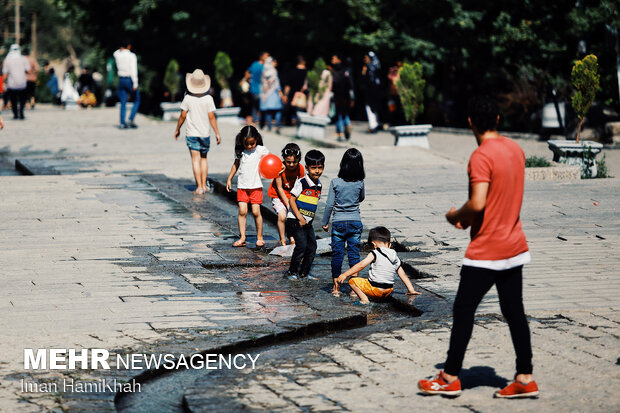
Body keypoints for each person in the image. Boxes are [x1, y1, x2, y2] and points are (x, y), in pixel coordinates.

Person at [418, 96, 538, 399]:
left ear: (470, 122)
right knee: (514, 311)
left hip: (487, 250)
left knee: (463, 310)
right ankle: (525, 377)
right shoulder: (515, 149)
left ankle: (450, 376)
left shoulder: (481, 156)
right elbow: (499, 198)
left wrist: (456, 216)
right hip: (514, 244)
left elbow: (479, 202)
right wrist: (474, 217)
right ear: (497, 119)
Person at [322, 148, 365, 297]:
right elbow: (361, 198)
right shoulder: (360, 182)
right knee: (354, 255)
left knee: (337, 255)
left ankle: (336, 288)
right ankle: (354, 289)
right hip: (355, 222)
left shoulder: (335, 182)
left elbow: (329, 204)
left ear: (343, 164)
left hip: (338, 223)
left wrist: (324, 222)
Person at [336, 226, 419, 303]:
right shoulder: (394, 256)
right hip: (388, 290)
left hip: (376, 290)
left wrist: (345, 275)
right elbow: (403, 274)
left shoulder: (375, 253)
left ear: (374, 244)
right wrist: (411, 290)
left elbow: (361, 265)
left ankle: (364, 300)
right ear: (389, 244)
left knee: (352, 280)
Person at [174, 69, 222, 195]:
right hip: (204, 133)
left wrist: (177, 129)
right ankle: (205, 186)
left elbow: (182, 116)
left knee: (195, 159)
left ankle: (199, 187)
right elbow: (212, 117)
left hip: (192, 133)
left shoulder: (188, 98)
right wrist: (217, 132)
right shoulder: (208, 99)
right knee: (204, 158)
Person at [226, 125, 269, 248]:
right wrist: (229, 178)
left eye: (252, 143)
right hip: (242, 186)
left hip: (256, 186)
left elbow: (271, 161)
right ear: (242, 141)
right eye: (247, 144)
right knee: (242, 211)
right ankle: (242, 237)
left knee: (256, 212)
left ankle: (259, 236)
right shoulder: (240, 151)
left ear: (256, 139)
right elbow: (235, 165)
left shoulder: (261, 150)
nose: (250, 146)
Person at [286, 149, 325, 280]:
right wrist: (299, 217)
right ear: (307, 167)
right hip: (295, 219)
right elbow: (291, 199)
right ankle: (292, 272)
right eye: (314, 168)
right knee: (301, 245)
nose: (317, 171)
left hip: (307, 222)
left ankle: (304, 273)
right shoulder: (302, 182)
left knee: (312, 247)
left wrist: (310, 220)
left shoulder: (319, 184)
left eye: (320, 167)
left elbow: (313, 203)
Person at [268, 143, 304, 246]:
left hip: (291, 195)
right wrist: (288, 204)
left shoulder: (300, 168)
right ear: (284, 158)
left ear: (299, 160)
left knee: (292, 216)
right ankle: (283, 239)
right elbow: (279, 188)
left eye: (294, 162)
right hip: (278, 195)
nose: (292, 165)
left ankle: (292, 237)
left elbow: (302, 184)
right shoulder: (279, 168)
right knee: (282, 216)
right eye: (288, 162)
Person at [113, 40, 140, 129]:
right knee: (136, 100)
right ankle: (131, 119)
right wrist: (135, 82)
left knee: (123, 102)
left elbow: (115, 52)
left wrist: (121, 49)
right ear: (129, 46)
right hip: (129, 79)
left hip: (121, 79)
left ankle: (122, 122)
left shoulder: (117, 55)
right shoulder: (131, 56)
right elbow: (133, 69)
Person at [2, 44, 30, 120]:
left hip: (12, 84)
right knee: (22, 99)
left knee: (13, 99)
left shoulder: (7, 60)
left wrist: (4, 82)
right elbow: (28, 70)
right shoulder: (24, 59)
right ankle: (21, 112)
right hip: (22, 83)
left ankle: (15, 114)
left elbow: (5, 73)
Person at [331, 54, 355, 140]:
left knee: (339, 114)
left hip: (340, 96)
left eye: (334, 59)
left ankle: (340, 133)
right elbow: (351, 85)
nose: (332, 61)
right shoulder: (346, 71)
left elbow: (333, 85)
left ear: (339, 60)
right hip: (344, 96)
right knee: (344, 114)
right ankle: (347, 126)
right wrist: (352, 98)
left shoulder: (334, 71)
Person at [259, 57, 284, 133]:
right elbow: (277, 83)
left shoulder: (264, 72)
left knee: (268, 111)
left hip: (266, 94)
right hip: (274, 93)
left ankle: (269, 127)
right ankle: (276, 126)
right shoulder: (273, 71)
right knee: (278, 110)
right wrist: (281, 93)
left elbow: (262, 84)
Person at [243, 52, 269, 124]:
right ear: (261, 57)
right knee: (261, 106)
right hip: (261, 90)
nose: (267, 58)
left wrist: (248, 80)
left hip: (253, 89)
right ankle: (261, 121)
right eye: (266, 56)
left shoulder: (254, 64)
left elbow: (247, 72)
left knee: (255, 106)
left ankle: (254, 120)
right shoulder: (264, 67)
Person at [361, 51, 382, 133]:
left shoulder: (368, 68)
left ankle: (373, 125)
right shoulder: (377, 66)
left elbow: (367, 81)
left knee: (370, 108)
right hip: (376, 92)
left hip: (370, 92)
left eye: (366, 58)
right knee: (374, 109)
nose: (365, 59)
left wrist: (363, 73)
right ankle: (375, 124)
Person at [283, 55, 307, 125]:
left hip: (292, 93)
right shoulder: (307, 73)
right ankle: (300, 123)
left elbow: (288, 85)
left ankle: (288, 122)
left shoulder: (292, 72)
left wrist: (285, 95)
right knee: (301, 109)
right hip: (303, 94)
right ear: (304, 62)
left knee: (290, 109)